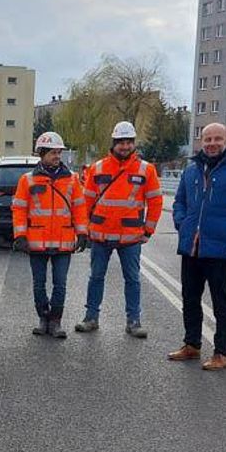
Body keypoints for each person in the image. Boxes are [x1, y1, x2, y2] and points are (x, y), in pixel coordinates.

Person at [168, 122, 226, 370]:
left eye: (218, 138)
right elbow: (180, 202)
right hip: (192, 246)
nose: (212, 143)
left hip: (220, 248)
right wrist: (182, 223)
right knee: (189, 298)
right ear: (201, 141)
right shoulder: (191, 170)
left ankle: (222, 353)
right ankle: (192, 345)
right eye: (207, 139)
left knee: (221, 301)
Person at [74, 121, 163, 338]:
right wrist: (83, 231)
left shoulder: (146, 170)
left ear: (133, 144)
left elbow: (156, 202)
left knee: (132, 279)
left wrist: (148, 231)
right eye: (121, 142)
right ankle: (91, 317)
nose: (124, 146)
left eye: (128, 142)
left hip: (130, 237)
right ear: (113, 144)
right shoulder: (98, 168)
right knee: (96, 277)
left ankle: (133, 321)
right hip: (100, 235)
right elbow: (85, 202)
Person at [11, 132, 89, 338]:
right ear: (42, 154)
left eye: (59, 152)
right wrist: (20, 235)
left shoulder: (72, 180)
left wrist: (82, 233)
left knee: (60, 283)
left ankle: (56, 321)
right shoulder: (27, 180)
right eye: (53, 153)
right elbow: (19, 208)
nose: (57, 156)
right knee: (38, 283)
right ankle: (43, 317)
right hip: (36, 241)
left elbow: (80, 208)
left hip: (63, 242)